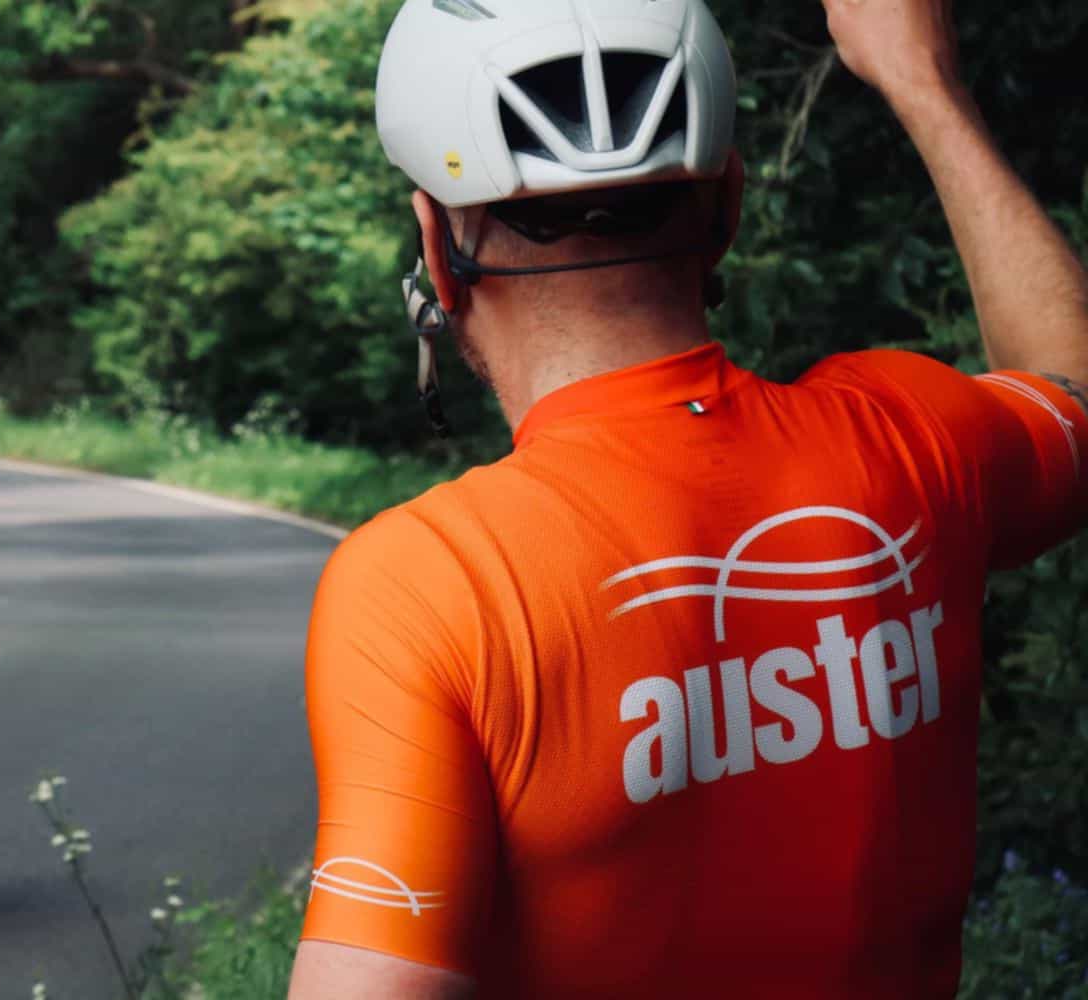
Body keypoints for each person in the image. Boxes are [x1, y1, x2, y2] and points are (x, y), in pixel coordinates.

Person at [291, 0, 1088, 996]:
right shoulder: (911, 441)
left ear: (436, 245)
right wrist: (922, 84)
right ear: (726, 207)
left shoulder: (427, 587)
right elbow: (1069, 381)